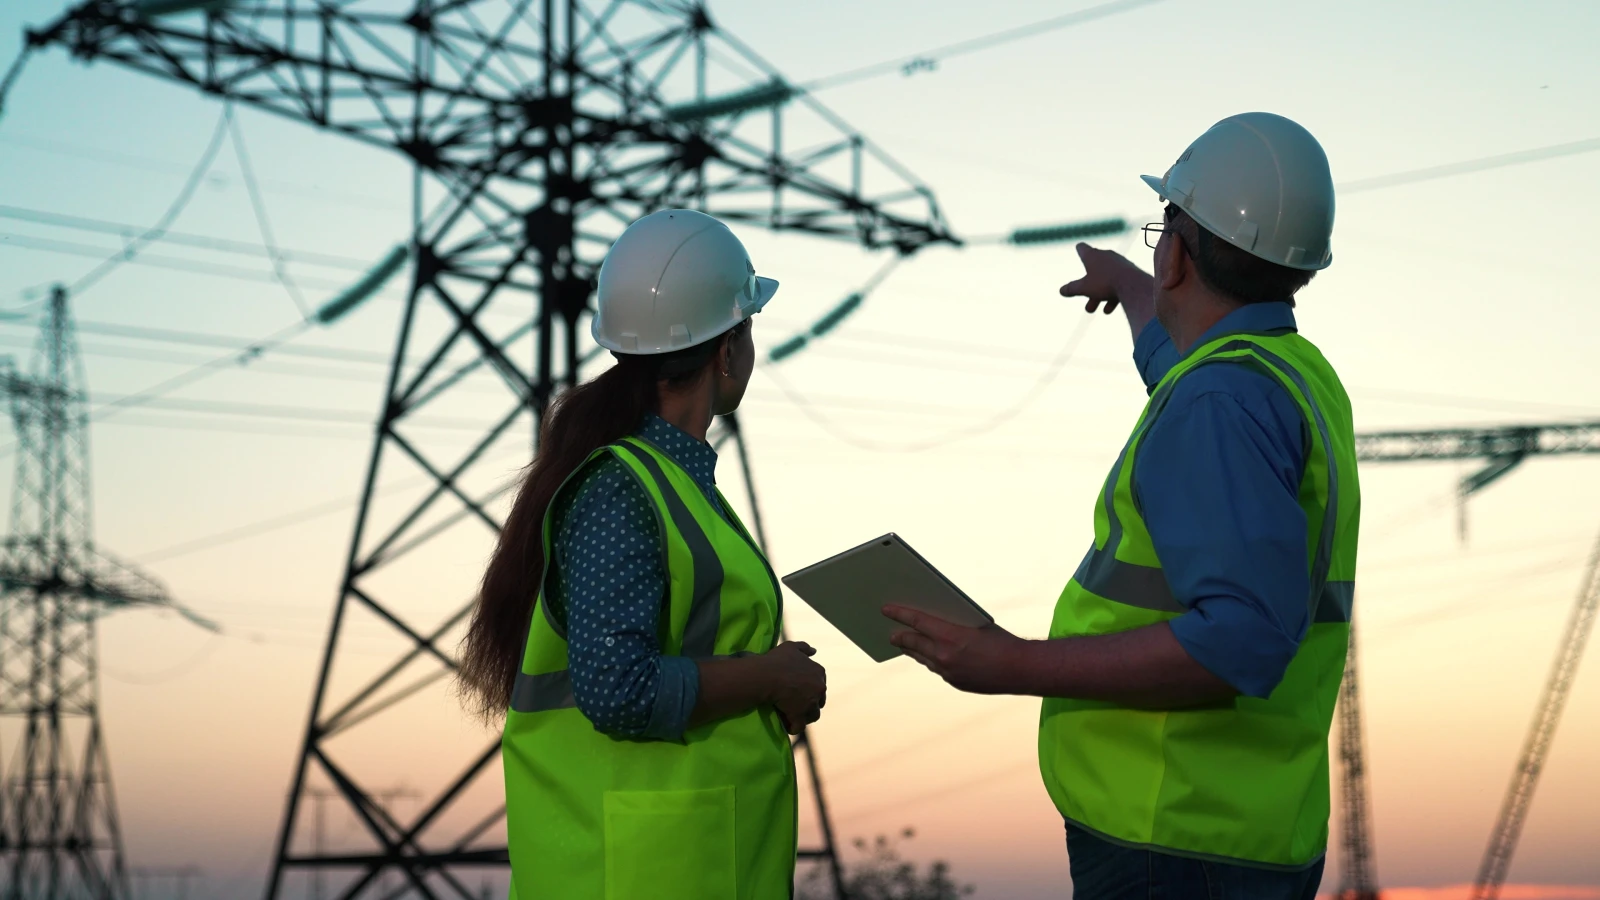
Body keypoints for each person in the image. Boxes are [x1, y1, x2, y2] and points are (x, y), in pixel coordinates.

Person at [882, 113, 1360, 900]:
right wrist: (1133, 287)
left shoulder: (1218, 399)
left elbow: (1237, 644)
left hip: (1172, 838)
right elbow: (1185, 375)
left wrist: (1014, 664)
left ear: (1178, 253)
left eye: (1161, 232)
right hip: (1242, 823)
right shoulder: (1286, 375)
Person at [458, 209, 827, 900]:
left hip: (687, 865)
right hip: (635, 873)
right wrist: (769, 677)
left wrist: (764, 686)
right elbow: (618, 691)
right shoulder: (619, 491)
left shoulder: (670, 481)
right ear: (726, 350)